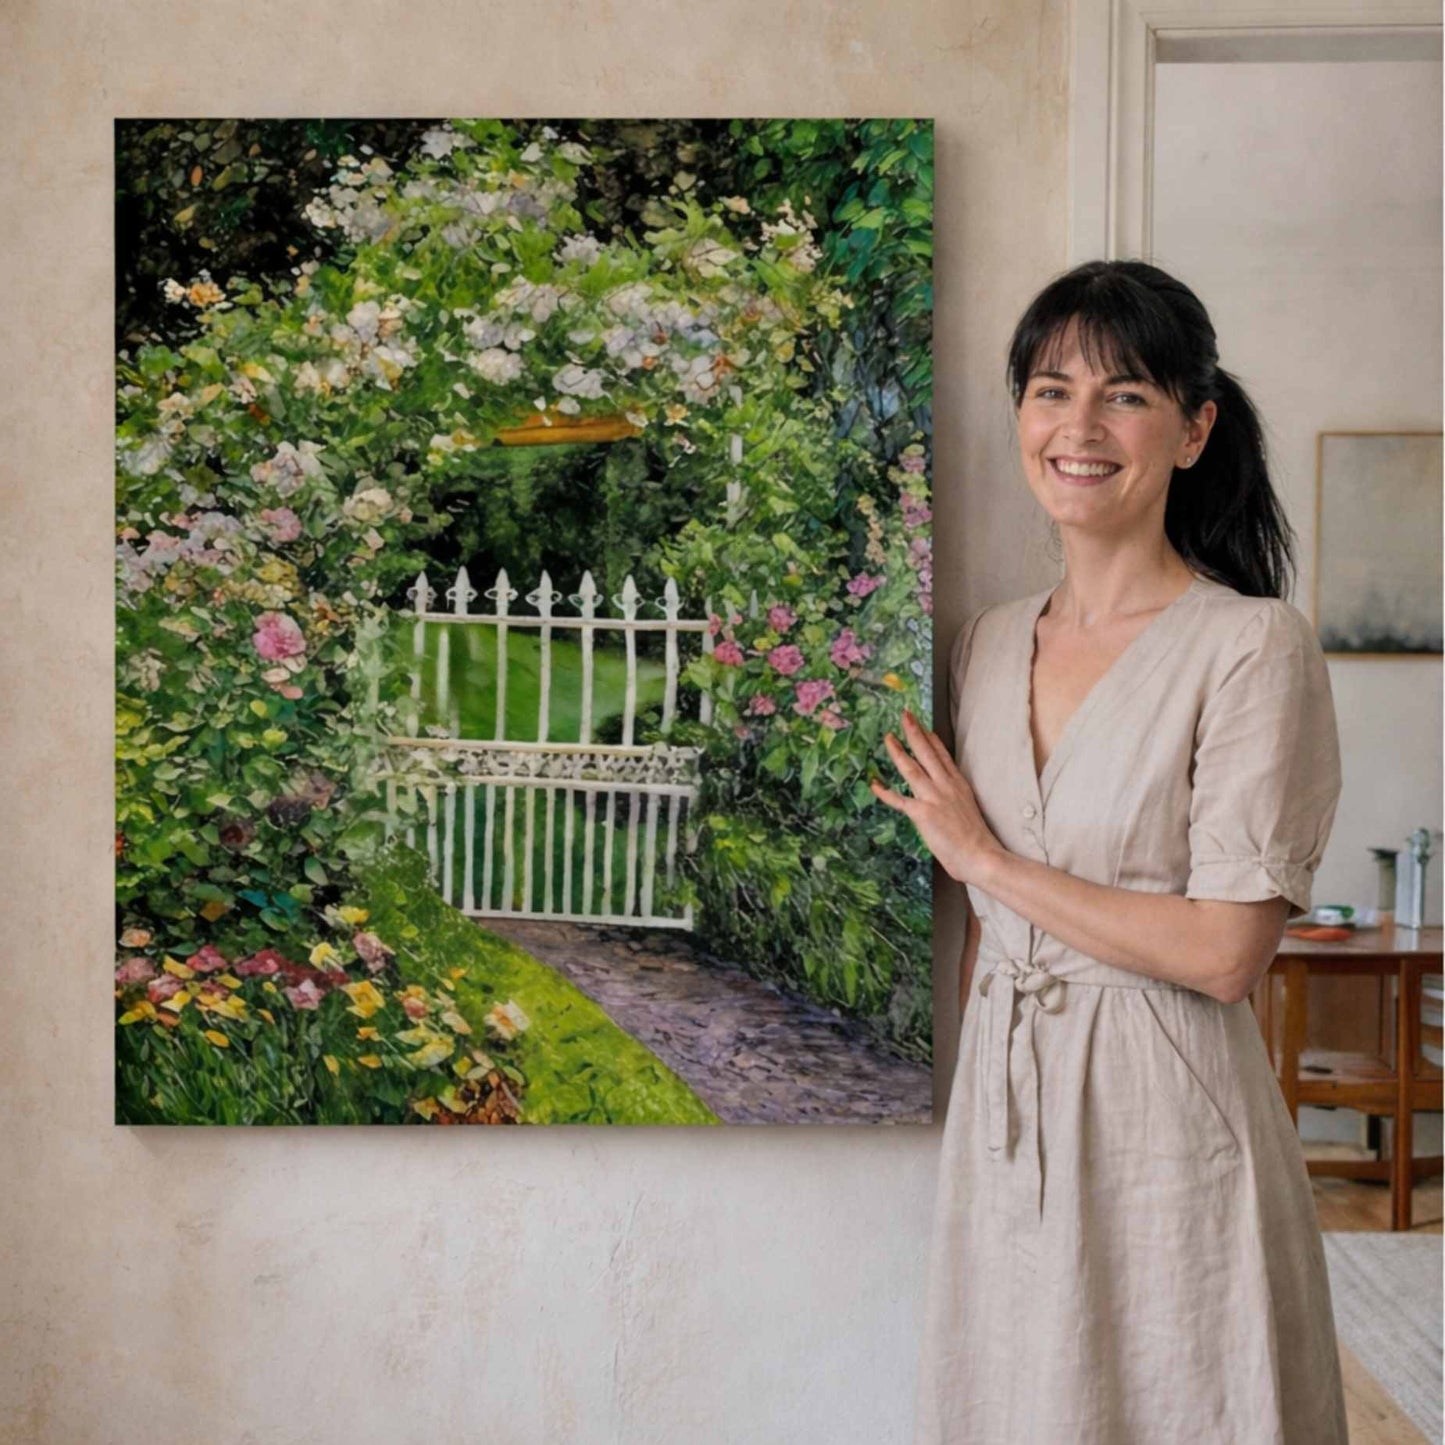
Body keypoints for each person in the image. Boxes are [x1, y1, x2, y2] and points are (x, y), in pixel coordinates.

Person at [871, 259, 1349, 1444]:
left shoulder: (1248, 646)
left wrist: (983, 858)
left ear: (1193, 428)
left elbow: (1226, 948)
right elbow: (993, 937)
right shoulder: (981, 643)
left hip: (1167, 1115)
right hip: (1009, 1109)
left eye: (1124, 394)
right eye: (1048, 389)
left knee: (1185, 1394)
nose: (1077, 426)